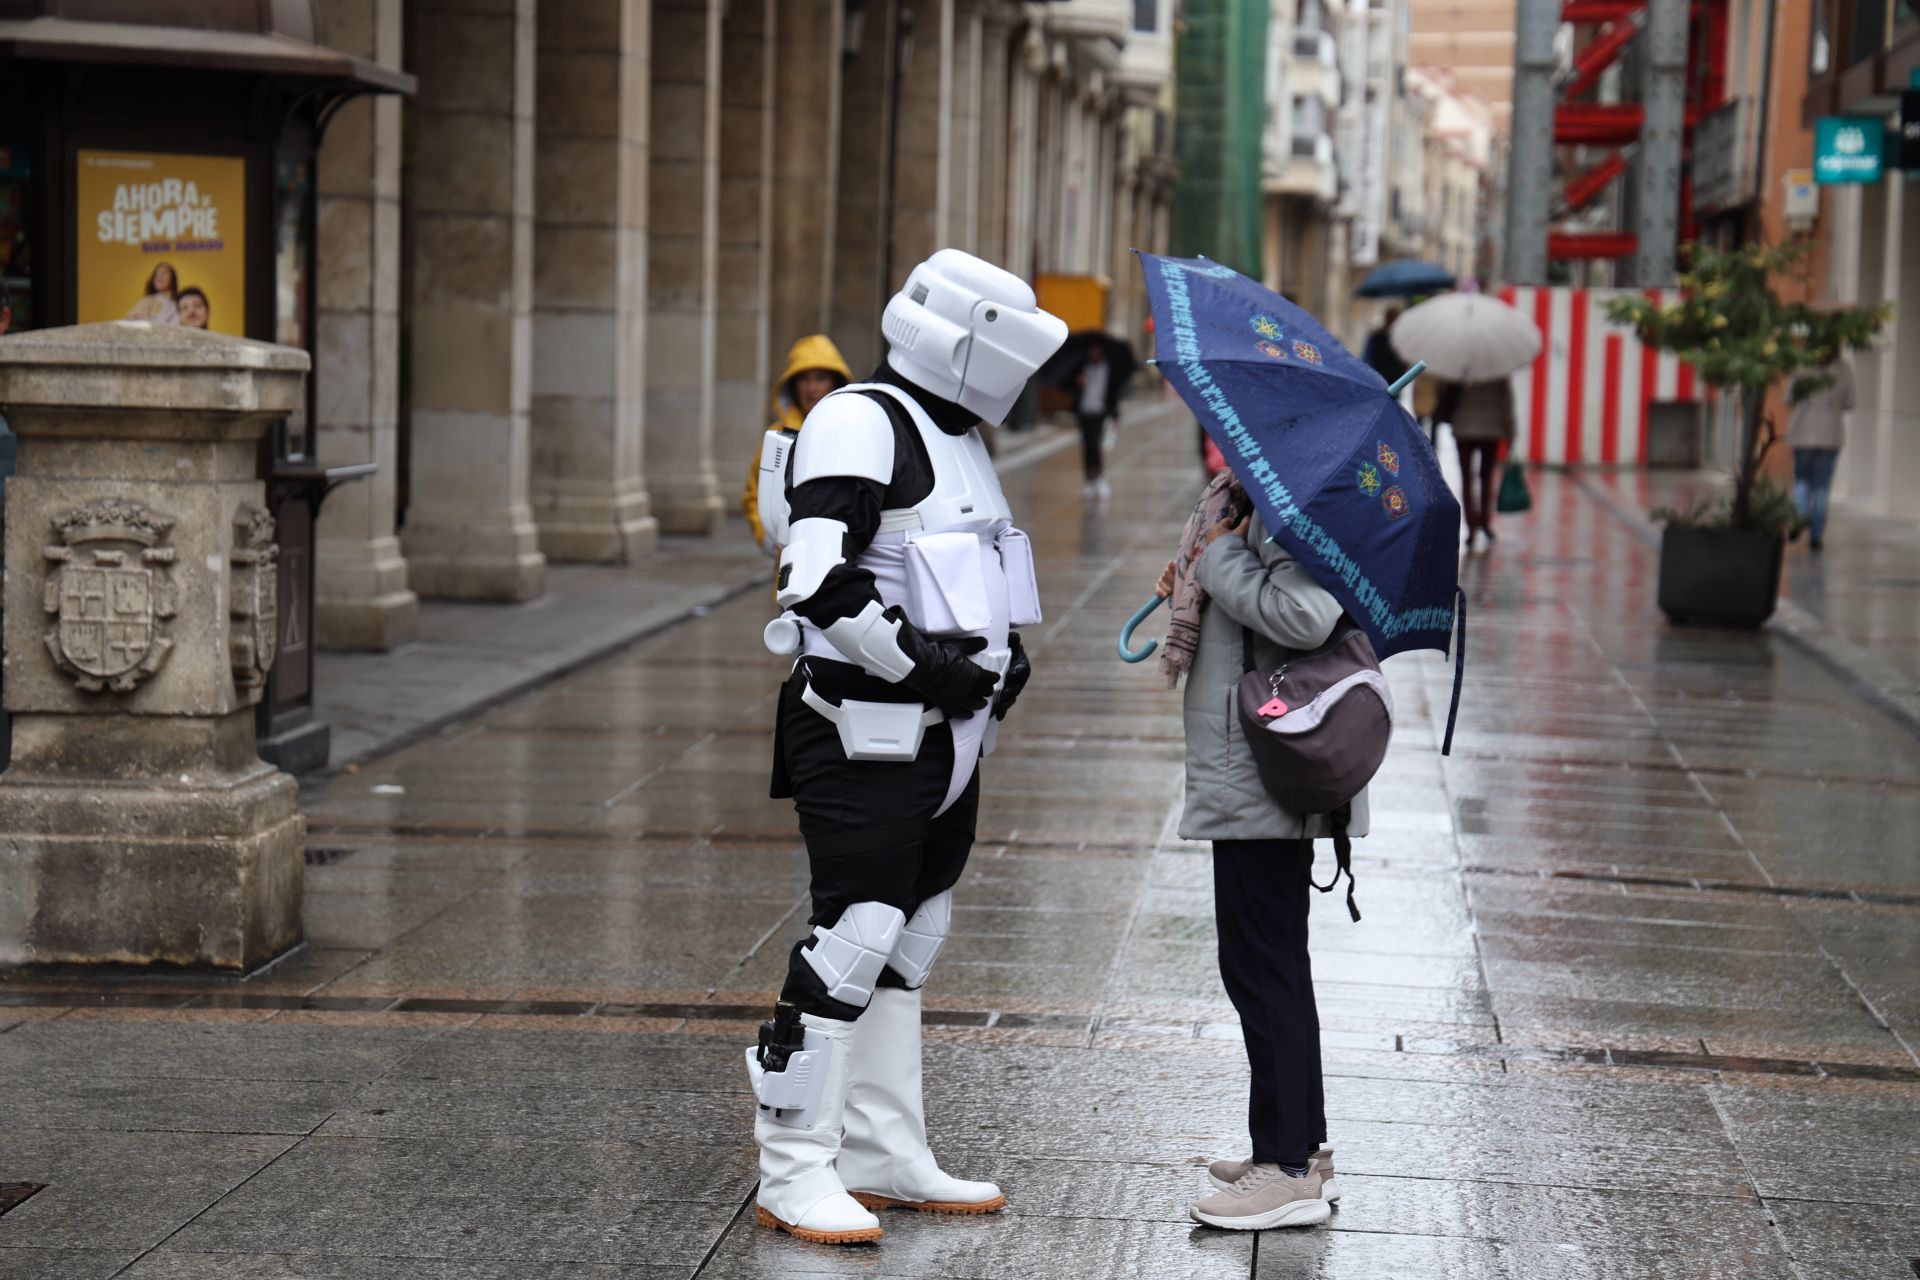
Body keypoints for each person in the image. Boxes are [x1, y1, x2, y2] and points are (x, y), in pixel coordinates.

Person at [746, 248, 1066, 1246]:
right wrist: (924, 664)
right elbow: (819, 579)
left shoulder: (958, 435)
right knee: (855, 934)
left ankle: (884, 1148)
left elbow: (971, 574)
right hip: (861, 726)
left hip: (947, 735)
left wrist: (997, 659)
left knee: (909, 939)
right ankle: (793, 1164)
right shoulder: (858, 419)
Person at [1153, 470, 1362, 1232]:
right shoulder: (1249, 502)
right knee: (1267, 964)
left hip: (1264, 771)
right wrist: (1202, 579)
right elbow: (1255, 608)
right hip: (1249, 770)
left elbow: (1305, 614)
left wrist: (1218, 564)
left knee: (1262, 967)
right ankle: (1301, 1147)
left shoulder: (1292, 508)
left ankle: (1287, 1170)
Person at [743, 335, 853, 553]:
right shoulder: (777, 435)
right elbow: (753, 495)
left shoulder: (853, 431)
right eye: (804, 379)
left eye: (821, 378)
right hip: (789, 560)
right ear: (794, 384)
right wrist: (767, 536)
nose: (812, 388)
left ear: (836, 382)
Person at [1435, 377, 1514, 551]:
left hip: (1464, 428)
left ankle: (1471, 527)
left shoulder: (1461, 368)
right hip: (1491, 430)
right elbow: (1506, 402)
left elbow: (1444, 393)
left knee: (1467, 478)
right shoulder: (1498, 371)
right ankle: (1485, 523)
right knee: (1486, 477)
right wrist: (1510, 433)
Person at [1789, 357, 1854, 551]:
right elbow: (1850, 402)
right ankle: (1816, 535)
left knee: (1802, 480)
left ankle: (1800, 516)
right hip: (1830, 433)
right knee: (1822, 485)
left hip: (1802, 431)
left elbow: (1789, 397)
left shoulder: (1801, 365)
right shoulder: (1844, 369)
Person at [1073, 339, 1120, 499]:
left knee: (1095, 445)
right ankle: (1089, 480)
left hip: (1100, 412)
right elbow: (1070, 388)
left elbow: (1113, 393)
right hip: (1084, 411)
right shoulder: (1082, 367)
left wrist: (1115, 415)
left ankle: (1099, 478)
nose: (1094, 354)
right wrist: (1078, 383)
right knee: (1087, 446)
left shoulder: (1109, 368)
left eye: (1096, 350)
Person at [1361, 306, 1409, 388]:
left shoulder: (1402, 339)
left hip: (1396, 382)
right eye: (1390, 319)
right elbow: (1367, 358)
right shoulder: (1376, 337)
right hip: (1378, 379)